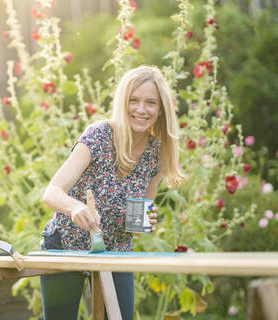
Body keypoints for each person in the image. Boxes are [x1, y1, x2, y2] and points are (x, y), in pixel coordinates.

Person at [40, 65, 184, 320]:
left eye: (151, 102)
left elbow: (140, 213)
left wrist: (144, 222)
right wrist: (75, 207)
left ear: (161, 109)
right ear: (122, 103)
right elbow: (51, 192)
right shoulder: (98, 136)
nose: (142, 109)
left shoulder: (156, 152)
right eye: (133, 100)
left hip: (116, 252)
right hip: (66, 244)